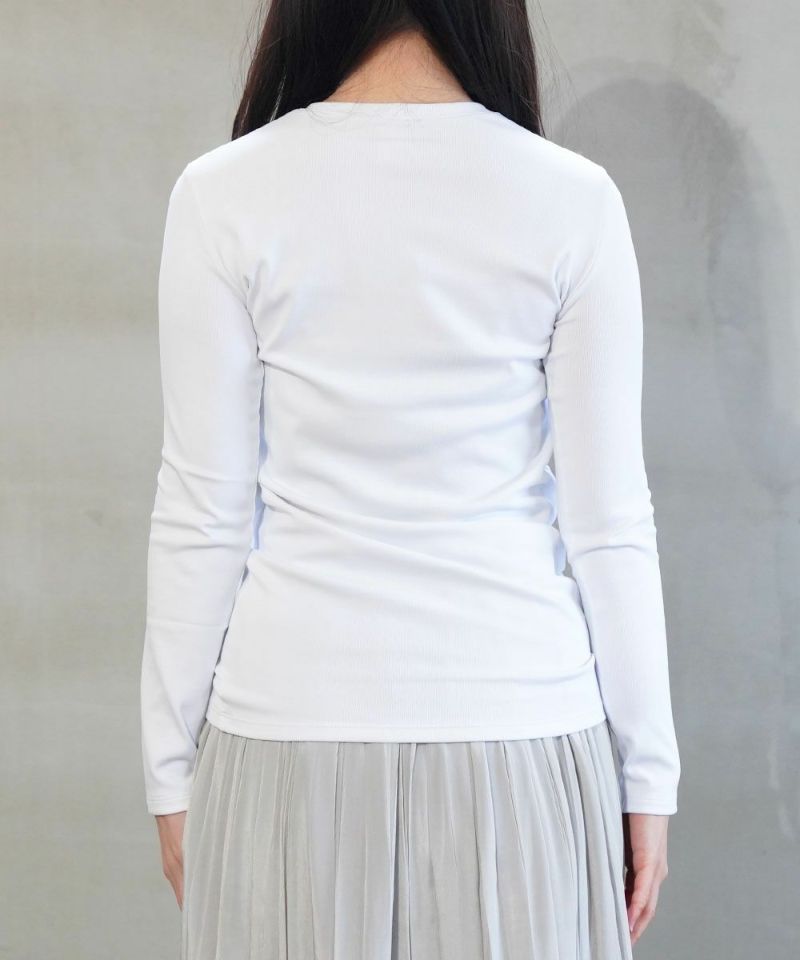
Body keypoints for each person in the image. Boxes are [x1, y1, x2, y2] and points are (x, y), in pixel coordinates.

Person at [140, 3, 681, 957]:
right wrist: (649, 777)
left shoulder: (224, 194)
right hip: (522, 732)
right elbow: (607, 523)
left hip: (285, 735)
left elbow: (204, 513)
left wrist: (169, 770)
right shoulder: (571, 199)